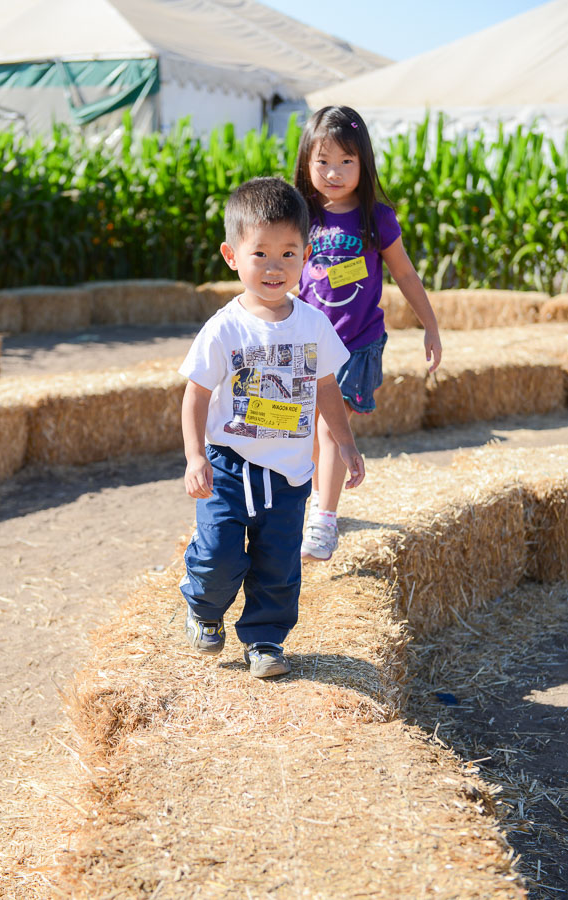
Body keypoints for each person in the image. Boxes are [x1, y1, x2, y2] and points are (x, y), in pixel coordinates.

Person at [178, 176, 365, 678]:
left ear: (306, 256)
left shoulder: (313, 325)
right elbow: (195, 395)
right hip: (229, 467)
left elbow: (327, 388)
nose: (275, 266)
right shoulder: (225, 327)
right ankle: (203, 607)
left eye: (288, 253)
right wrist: (196, 456)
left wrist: (345, 444)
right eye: (260, 253)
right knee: (220, 556)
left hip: (288, 475)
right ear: (231, 255)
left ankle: (264, 639)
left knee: (278, 566)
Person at [294, 106, 442, 561]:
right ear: (306, 163)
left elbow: (405, 275)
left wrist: (431, 325)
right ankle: (318, 505)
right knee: (312, 430)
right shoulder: (299, 216)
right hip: (307, 343)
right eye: (323, 161)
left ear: (364, 163)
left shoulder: (376, 218)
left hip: (355, 344)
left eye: (345, 162)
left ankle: (324, 519)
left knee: (330, 426)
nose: (333, 172)